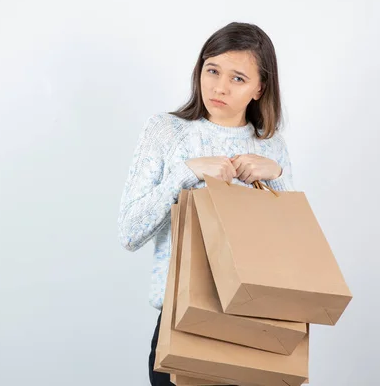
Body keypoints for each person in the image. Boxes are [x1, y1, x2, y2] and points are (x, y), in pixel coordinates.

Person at [117, 22, 295, 386]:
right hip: (185, 318)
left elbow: (293, 251)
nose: (219, 87)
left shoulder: (272, 146)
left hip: (261, 323)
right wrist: (186, 173)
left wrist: (276, 175)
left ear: (260, 88)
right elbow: (129, 232)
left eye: (238, 78)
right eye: (212, 70)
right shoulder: (166, 131)